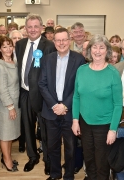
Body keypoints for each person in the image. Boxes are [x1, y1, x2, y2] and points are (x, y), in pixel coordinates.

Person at [72, 34, 123, 180]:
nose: (98, 51)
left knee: (102, 162)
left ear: (107, 51)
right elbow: (76, 97)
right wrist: (75, 120)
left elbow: (118, 105)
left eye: (102, 47)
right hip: (85, 123)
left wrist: (113, 130)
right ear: (90, 50)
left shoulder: (113, 73)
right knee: (88, 159)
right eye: (95, 47)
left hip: (104, 125)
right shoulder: (81, 70)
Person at [39, 28, 86, 180]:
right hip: (50, 110)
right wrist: (54, 105)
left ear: (70, 40)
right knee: (52, 146)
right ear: (54, 42)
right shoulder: (47, 59)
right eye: (58, 40)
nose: (61, 43)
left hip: (70, 110)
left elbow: (79, 87)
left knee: (71, 147)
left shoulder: (79, 59)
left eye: (64, 40)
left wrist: (65, 105)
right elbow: (42, 84)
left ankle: (69, 175)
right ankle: (55, 174)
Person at [15, 13, 56, 174]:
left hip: (44, 96)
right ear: (25, 28)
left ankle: (47, 159)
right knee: (27, 127)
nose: (32, 29)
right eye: (29, 27)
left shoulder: (49, 45)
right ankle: (32, 157)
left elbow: (51, 73)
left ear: (41, 28)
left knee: (45, 129)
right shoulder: (20, 44)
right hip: (25, 93)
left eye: (35, 26)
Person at [0, 36, 21, 172]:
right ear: (0, 49)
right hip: (7, 104)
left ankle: (8, 156)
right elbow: (2, 89)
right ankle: (6, 160)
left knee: (11, 133)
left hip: (16, 102)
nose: (8, 49)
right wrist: (11, 107)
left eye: (10, 45)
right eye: (4, 46)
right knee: (5, 134)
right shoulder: (0, 64)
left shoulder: (14, 62)